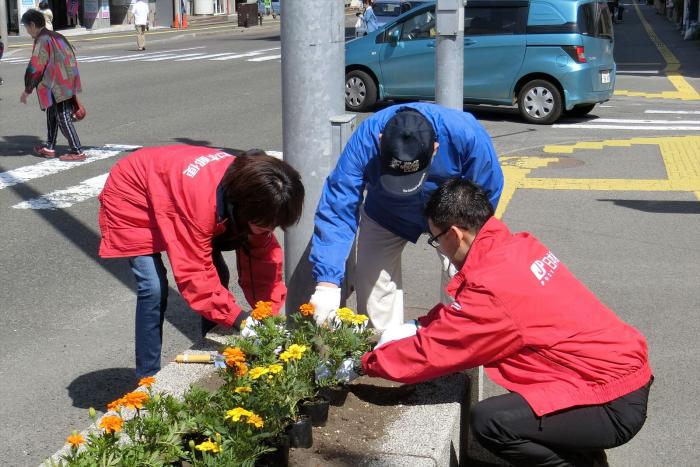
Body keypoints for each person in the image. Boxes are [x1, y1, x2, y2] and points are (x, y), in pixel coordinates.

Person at [362, 178, 653, 467]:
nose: (439, 247)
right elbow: (462, 316)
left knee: (492, 421)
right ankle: (584, 454)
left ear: (454, 234)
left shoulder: (493, 287)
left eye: (435, 239)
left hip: (611, 400)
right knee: (519, 406)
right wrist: (421, 324)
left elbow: (436, 350)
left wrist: (366, 363)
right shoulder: (516, 248)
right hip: (617, 372)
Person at [98, 145, 304, 378]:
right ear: (243, 208)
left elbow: (262, 262)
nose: (270, 230)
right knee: (153, 287)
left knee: (219, 276)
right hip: (134, 191)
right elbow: (194, 274)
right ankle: (147, 378)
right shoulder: (201, 204)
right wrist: (240, 320)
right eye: (266, 225)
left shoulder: (254, 194)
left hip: (172, 187)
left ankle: (210, 348)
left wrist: (268, 314)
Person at [309, 103, 503, 332]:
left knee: (462, 284)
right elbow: (338, 206)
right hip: (385, 212)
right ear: (381, 141)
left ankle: (458, 348)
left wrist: (473, 254)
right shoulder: (366, 138)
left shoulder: (466, 135)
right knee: (374, 291)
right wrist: (327, 283)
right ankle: (381, 354)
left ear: (435, 148)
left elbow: (485, 197)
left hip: (450, 215)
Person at [20, 9, 85, 162]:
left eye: (26, 27)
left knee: (62, 116)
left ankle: (77, 151)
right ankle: (49, 146)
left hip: (57, 84)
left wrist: (27, 89)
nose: (27, 31)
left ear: (32, 24)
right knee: (52, 113)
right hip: (65, 79)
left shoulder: (42, 39)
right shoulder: (56, 35)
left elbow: (36, 67)